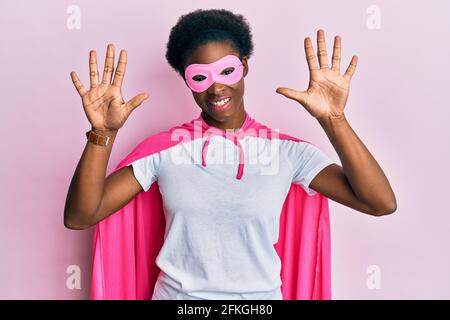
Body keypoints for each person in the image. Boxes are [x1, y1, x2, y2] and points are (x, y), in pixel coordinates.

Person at [64, 9, 397, 300]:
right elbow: (80, 216)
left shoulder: (288, 152)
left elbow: (379, 202)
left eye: (227, 71)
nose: (216, 88)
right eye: (199, 77)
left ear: (245, 67)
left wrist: (333, 119)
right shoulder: (165, 150)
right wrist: (102, 134)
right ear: (187, 81)